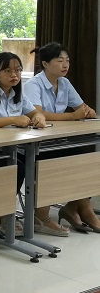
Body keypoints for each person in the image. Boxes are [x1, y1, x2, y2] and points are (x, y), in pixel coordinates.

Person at [0, 52, 52, 236]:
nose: (14, 74)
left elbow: (35, 112)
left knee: (36, 161)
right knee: (18, 167)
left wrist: (39, 118)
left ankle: (31, 215)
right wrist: (13, 119)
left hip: (9, 149)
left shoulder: (18, 93)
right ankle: (4, 218)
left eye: (17, 70)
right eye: (7, 71)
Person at [24, 42, 100, 233]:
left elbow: (81, 108)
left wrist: (88, 112)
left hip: (57, 139)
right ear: (45, 64)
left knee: (83, 158)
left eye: (67, 60)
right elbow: (38, 114)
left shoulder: (64, 83)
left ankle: (76, 207)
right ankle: (46, 215)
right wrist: (73, 116)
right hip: (36, 143)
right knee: (58, 160)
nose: (65, 64)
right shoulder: (33, 84)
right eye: (59, 60)